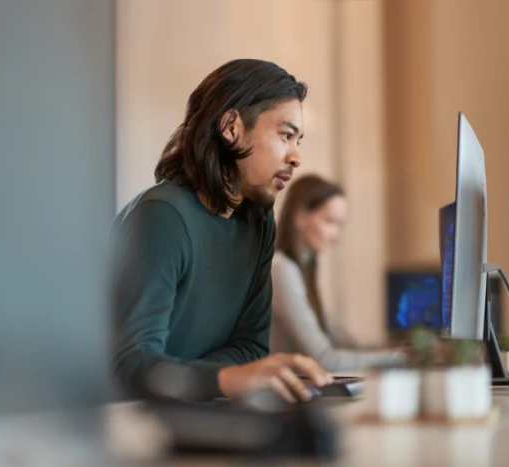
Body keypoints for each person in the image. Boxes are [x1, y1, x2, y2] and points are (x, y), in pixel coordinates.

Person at [109, 59, 333, 404]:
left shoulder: (258, 222)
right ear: (231, 127)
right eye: (286, 135)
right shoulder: (163, 215)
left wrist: (202, 380)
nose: (296, 156)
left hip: (198, 412)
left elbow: (251, 348)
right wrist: (224, 379)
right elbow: (131, 365)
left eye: (298, 140)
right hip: (131, 426)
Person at [271, 175, 406, 371]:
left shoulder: (303, 269)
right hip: (275, 398)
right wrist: (397, 357)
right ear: (300, 217)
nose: (336, 235)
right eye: (330, 222)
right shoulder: (282, 270)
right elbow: (325, 359)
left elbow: (344, 342)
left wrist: (395, 351)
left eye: (339, 225)